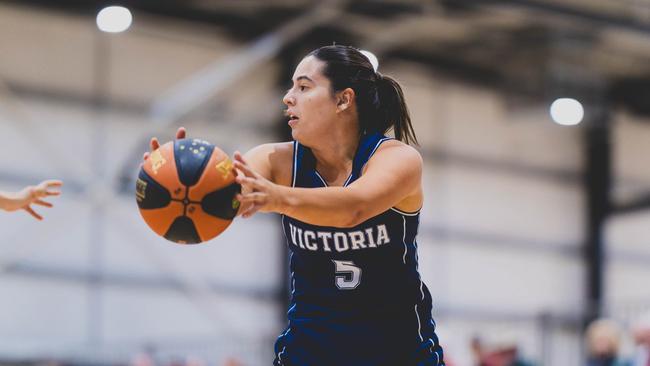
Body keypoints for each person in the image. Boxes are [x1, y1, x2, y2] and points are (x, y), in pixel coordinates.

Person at [146, 45, 444, 365]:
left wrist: (278, 197)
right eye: (291, 87)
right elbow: (225, 198)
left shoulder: (397, 158)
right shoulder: (275, 160)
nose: (288, 97)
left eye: (303, 87)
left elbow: (352, 209)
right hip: (308, 352)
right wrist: (174, 182)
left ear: (343, 99)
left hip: (397, 353)